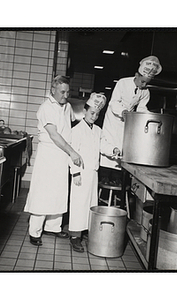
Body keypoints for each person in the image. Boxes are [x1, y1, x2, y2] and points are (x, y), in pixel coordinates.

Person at [24, 75, 84, 246]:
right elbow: (54, 135)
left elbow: (73, 125)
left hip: (61, 155)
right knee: (43, 194)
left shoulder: (67, 107)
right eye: (62, 92)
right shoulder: (46, 108)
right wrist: (72, 152)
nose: (66, 95)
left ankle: (53, 227)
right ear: (53, 90)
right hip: (49, 154)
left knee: (58, 192)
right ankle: (34, 232)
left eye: (67, 91)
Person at [100, 55, 162, 184]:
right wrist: (123, 112)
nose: (143, 85)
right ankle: (105, 180)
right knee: (108, 151)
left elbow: (141, 108)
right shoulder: (123, 83)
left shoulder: (145, 91)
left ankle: (117, 182)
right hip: (114, 122)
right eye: (142, 81)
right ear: (136, 75)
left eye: (146, 83)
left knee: (121, 155)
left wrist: (150, 116)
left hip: (127, 126)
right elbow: (113, 103)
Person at [68, 93, 107, 252]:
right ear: (85, 111)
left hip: (93, 173)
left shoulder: (98, 130)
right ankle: (75, 236)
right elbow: (72, 152)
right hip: (81, 174)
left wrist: (114, 150)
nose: (94, 116)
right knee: (78, 204)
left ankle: (85, 232)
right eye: (92, 113)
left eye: (97, 114)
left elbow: (103, 146)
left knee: (91, 204)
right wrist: (75, 172)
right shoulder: (77, 130)